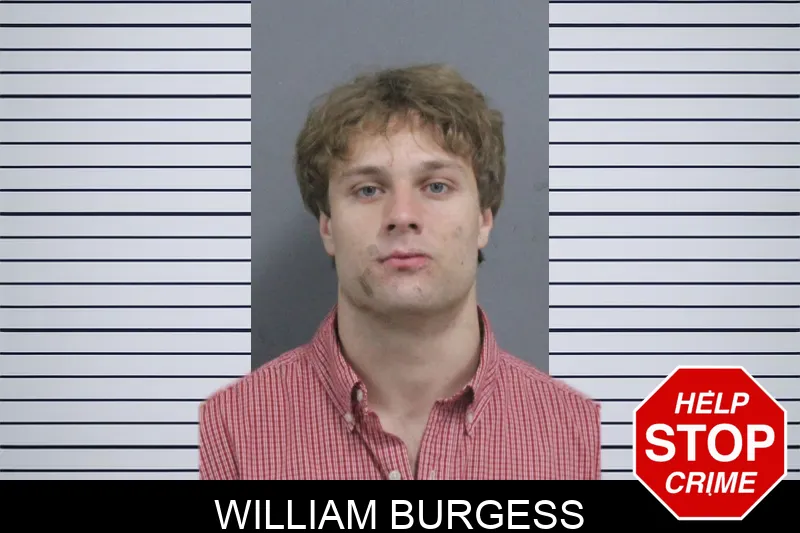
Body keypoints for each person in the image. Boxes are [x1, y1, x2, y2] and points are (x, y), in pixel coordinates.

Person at [198, 63, 601, 480]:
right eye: (368, 190)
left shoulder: (586, 442)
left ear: (484, 220)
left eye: (437, 186)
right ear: (328, 227)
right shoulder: (223, 437)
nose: (402, 215)